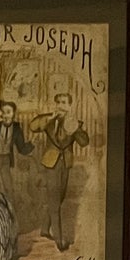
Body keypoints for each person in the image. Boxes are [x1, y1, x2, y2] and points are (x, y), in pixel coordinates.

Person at [30, 92, 89, 249]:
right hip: (51, 163)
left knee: (59, 198)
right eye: (59, 102)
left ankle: (44, 228)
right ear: (56, 104)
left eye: (65, 103)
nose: (61, 105)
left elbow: (84, 142)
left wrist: (75, 128)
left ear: (70, 106)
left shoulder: (75, 122)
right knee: (55, 201)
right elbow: (33, 126)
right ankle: (59, 239)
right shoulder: (48, 120)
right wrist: (50, 118)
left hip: (65, 164)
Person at [0, 99, 33, 207]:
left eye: (8, 112)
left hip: (6, 159)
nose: (5, 115)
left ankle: (9, 208)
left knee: (8, 186)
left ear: (13, 113)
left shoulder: (17, 128)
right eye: (3, 112)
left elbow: (21, 148)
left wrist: (32, 144)